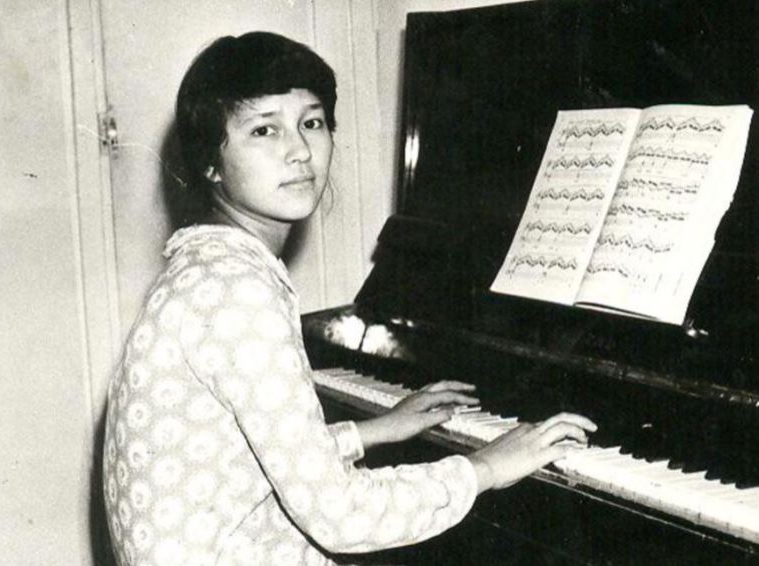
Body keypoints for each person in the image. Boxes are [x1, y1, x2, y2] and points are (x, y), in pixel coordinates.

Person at [102, 31, 596, 566]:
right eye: (264, 129)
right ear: (209, 163)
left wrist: (372, 431)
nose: (299, 151)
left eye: (311, 122)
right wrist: (488, 467)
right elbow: (341, 515)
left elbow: (252, 460)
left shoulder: (207, 268)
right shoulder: (237, 292)